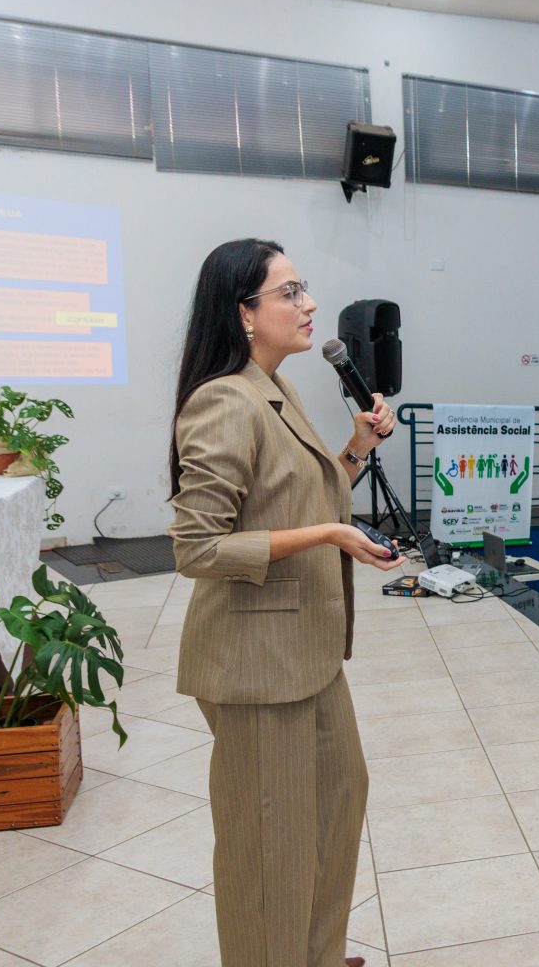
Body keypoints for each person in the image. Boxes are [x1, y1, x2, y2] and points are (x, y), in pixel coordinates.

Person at [169, 239, 400, 967]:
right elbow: (196, 549)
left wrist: (355, 448)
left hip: (309, 651)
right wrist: (327, 534)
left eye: (305, 289)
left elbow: (305, 496)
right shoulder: (222, 402)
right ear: (243, 314)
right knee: (269, 848)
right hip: (257, 665)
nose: (308, 305)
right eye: (289, 292)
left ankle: (315, 954)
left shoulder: (277, 388)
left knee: (338, 801)